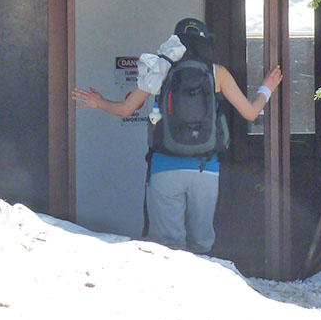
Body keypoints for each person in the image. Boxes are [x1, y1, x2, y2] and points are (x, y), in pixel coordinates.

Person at [71, 18, 282, 254]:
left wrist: (98, 102)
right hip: (205, 169)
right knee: (201, 243)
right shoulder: (217, 73)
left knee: (169, 247)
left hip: (164, 167)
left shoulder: (160, 69)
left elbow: (126, 109)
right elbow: (251, 113)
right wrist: (266, 88)